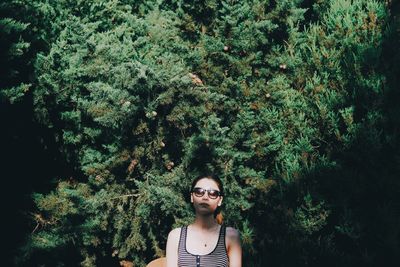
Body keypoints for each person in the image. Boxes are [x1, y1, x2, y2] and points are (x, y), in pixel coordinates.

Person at [166, 174, 242, 267]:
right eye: (199, 191)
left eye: (213, 193)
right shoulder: (175, 236)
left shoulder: (231, 236)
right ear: (191, 197)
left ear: (220, 200)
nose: (205, 197)